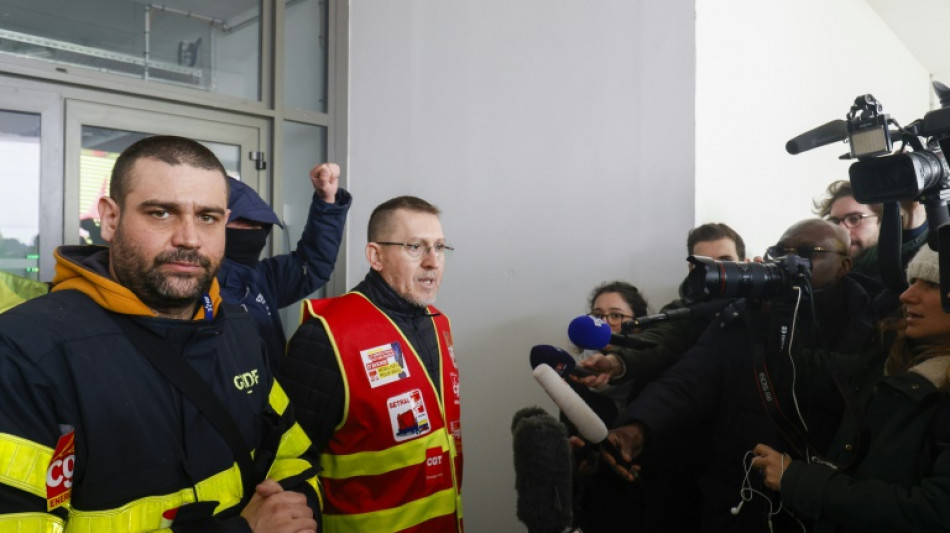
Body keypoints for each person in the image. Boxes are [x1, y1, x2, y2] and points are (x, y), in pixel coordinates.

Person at [0, 136, 321, 532]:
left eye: (208, 217)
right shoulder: (25, 352)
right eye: (161, 213)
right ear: (111, 219)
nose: (188, 237)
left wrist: (300, 511)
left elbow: (292, 454)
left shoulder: (238, 327)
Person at [601, 219, 896, 532]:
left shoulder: (874, 323)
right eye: (781, 252)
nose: (789, 261)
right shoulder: (748, 313)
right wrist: (636, 428)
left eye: (808, 253)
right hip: (736, 498)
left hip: (819, 504)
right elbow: (688, 380)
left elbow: (840, 390)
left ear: (844, 266)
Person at [281, 195, 462, 532]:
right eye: (415, 247)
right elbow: (289, 464)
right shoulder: (326, 336)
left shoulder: (439, 324)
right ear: (375, 256)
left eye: (439, 247)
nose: (432, 262)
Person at [752, 245, 950, 532]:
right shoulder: (891, 358)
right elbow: (799, 371)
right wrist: (774, 306)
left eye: (932, 285)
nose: (907, 296)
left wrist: (797, 480)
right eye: (912, 282)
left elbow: (934, 512)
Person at [577, 222, 747, 391]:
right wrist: (615, 362)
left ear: (745, 264)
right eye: (706, 264)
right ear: (692, 269)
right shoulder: (682, 312)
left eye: (726, 261)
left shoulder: (763, 307)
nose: (717, 271)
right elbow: (657, 341)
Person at [218, 162, 351, 367]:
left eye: (259, 224)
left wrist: (327, 202)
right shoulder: (192, 287)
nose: (254, 230)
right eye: (242, 221)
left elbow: (314, 263)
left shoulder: (263, 278)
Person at [814, 179, 927, 277]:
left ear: (883, 221)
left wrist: (913, 211)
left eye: (854, 219)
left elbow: (909, 243)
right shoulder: (828, 275)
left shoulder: (899, 264)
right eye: (834, 222)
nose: (841, 230)